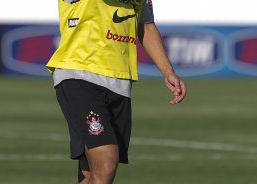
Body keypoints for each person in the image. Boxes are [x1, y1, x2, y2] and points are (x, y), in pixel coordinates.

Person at [46, 0, 187, 183]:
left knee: (90, 171)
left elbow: (147, 26)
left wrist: (168, 71)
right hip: (79, 73)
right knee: (106, 163)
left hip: (120, 81)